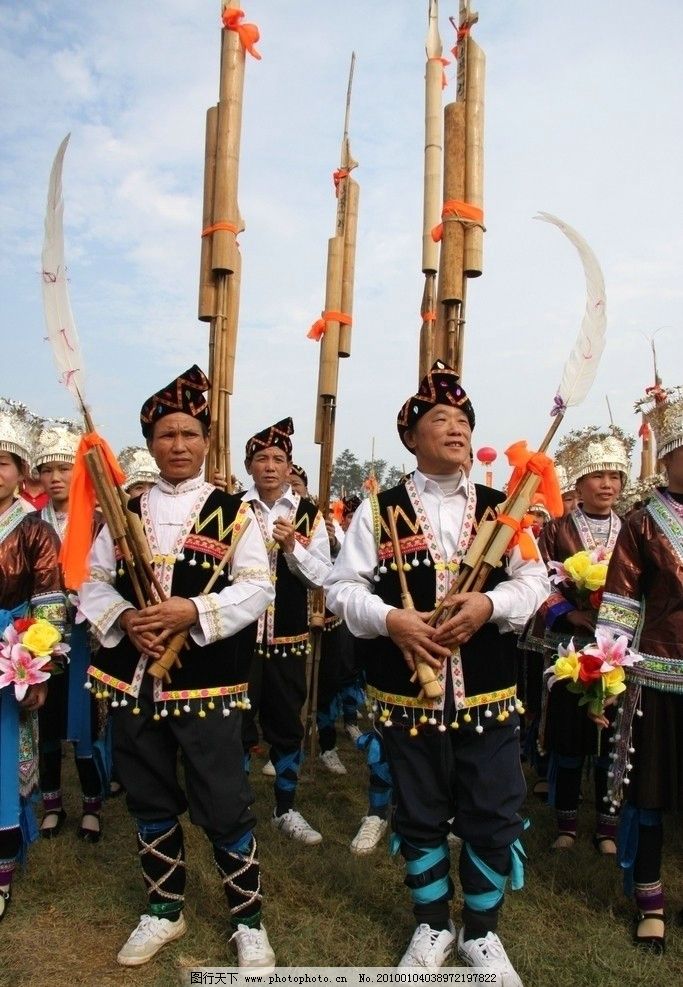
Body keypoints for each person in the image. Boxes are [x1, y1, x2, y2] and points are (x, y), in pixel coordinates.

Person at [326, 362, 549, 979]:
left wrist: (489, 604)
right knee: (419, 809)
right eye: (439, 419)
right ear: (412, 438)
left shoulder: (506, 509)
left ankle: (480, 934)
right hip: (407, 696)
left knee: (495, 808)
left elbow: (536, 581)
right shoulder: (379, 511)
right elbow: (341, 590)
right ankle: (431, 926)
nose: (454, 428)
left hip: (489, 692)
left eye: (462, 420)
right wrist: (393, 619)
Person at [78, 366, 276, 969]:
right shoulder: (125, 508)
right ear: (150, 443)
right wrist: (122, 617)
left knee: (222, 797)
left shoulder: (231, 511)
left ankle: (247, 919)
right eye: (167, 435)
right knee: (148, 792)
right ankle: (165, 909)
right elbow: (90, 582)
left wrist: (193, 609)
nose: (179, 446)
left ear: (206, 442)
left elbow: (257, 585)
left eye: (190, 434)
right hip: (134, 680)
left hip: (206, 683)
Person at [591, 383, 683, 953]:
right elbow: (619, 606)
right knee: (650, 793)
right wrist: (604, 681)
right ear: (668, 457)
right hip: (661, 676)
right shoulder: (643, 523)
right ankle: (649, 898)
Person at [538, 427, 632, 853]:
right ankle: (566, 823)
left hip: (619, 646)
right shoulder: (556, 530)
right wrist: (571, 611)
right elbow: (538, 582)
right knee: (570, 733)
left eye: (615, 476)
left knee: (613, 737)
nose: (607, 484)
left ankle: (608, 826)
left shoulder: (634, 529)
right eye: (598, 476)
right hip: (571, 646)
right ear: (579, 482)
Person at [241, 421, 331, 842]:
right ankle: (234, 806)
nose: (271, 466)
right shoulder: (230, 509)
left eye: (279, 459)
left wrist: (294, 547)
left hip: (289, 638)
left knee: (286, 725)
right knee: (236, 724)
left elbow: (324, 577)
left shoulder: (310, 515)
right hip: (238, 638)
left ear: (290, 466)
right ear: (249, 466)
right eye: (262, 459)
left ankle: (285, 808)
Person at [0, 398, 66, 919]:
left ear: (22, 472)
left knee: (5, 754)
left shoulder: (33, 529)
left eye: (3, 461)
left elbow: (49, 601)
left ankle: (3, 863)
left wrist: (34, 663)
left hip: (11, 644)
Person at [35, 418, 105, 841]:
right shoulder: (28, 520)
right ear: (37, 474)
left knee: (84, 725)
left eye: (64, 468)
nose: (56, 477)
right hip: (36, 638)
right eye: (48, 469)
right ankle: (50, 801)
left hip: (83, 639)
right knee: (43, 721)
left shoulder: (97, 522)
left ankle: (92, 804)